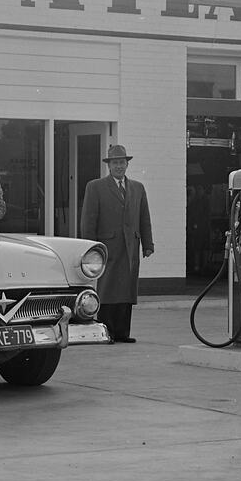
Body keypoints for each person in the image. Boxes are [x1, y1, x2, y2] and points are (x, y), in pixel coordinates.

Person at [80, 144, 154, 343]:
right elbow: (88, 219)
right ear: (109, 165)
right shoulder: (95, 187)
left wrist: (148, 244)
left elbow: (144, 217)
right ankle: (106, 332)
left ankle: (123, 332)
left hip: (130, 247)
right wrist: (90, 248)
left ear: (127, 164)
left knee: (127, 291)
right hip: (107, 247)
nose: (119, 166)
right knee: (107, 290)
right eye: (115, 163)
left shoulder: (137, 187)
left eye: (122, 162)